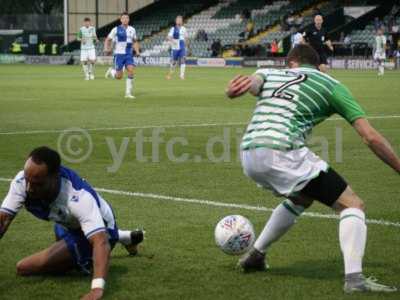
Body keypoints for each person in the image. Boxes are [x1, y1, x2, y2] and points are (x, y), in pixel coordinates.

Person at [225, 44, 400, 293]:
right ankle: (355, 280)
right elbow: (370, 137)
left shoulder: (270, 72)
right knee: (352, 204)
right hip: (283, 152)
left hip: (249, 153)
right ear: (316, 65)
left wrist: (233, 90)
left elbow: (250, 84)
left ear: (291, 63)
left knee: (302, 196)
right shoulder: (331, 85)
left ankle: (255, 256)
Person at [0, 146, 144, 300]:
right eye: (28, 180)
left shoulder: (78, 198)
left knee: (23, 268)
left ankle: (112, 237)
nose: (29, 188)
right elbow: (2, 220)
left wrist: (97, 289)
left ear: (55, 176)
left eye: (37, 184)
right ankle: (125, 237)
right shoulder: (23, 181)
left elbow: (100, 242)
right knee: (60, 253)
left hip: (100, 230)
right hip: (67, 224)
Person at [104, 12, 140, 99]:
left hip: (128, 54)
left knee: (131, 71)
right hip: (119, 55)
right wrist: (106, 48)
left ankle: (128, 93)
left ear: (129, 19)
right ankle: (112, 72)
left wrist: (137, 51)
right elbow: (108, 39)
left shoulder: (132, 29)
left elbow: (135, 41)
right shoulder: (115, 29)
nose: (125, 19)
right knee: (119, 76)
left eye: (127, 18)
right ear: (121, 20)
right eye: (123, 18)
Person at [166, 15, 188, 80]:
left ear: (182, 21)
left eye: (180, 20)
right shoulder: (173, 29)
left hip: (182, 46)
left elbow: (186, 38)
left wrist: (186, 46)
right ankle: (170, 74)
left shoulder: (184, 29)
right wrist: (172, 40)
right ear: (176, 21)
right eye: (178, 20)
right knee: (174, 62)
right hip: (175, 47)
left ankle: (182, 75)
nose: (179, 21)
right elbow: (168, 37)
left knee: (183, 60)